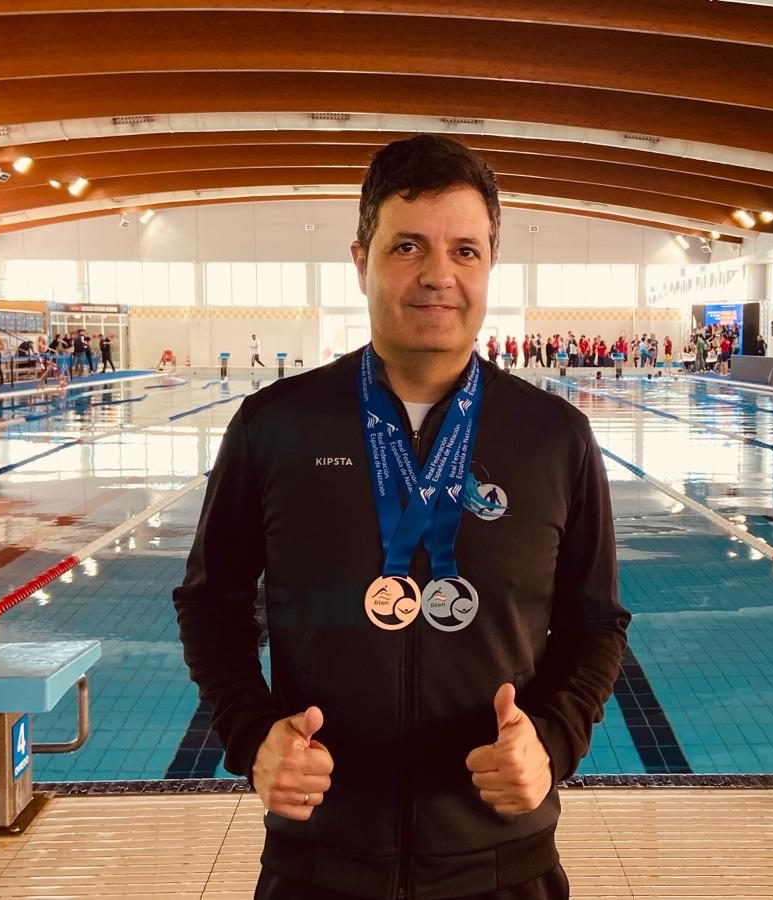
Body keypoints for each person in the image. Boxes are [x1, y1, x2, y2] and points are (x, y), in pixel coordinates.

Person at [175, 135, 627, 900]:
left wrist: (551, 742)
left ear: (490, 264)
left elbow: (596, 626)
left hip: (502, 864)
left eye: (465, 250)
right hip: (319, 864)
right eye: (407, 245)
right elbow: (209, 605)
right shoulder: (274, 426)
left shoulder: (553, 437)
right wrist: (252, 737)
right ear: (362, 260)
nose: (438, 276)